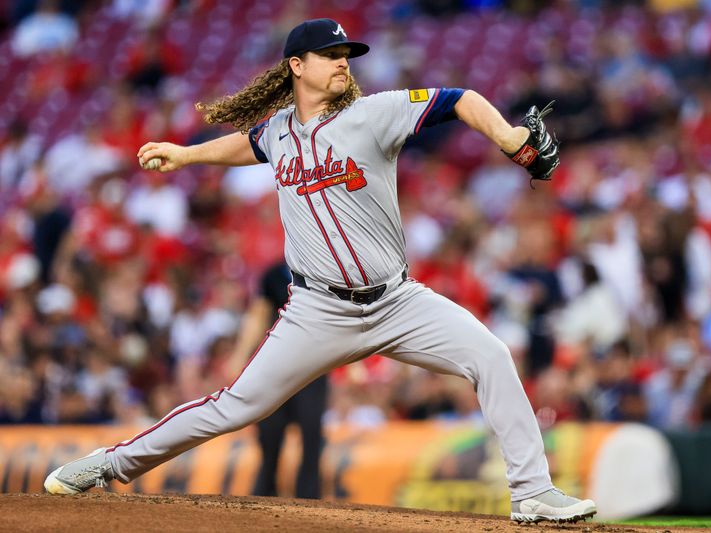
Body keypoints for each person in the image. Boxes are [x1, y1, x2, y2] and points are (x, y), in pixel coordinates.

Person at [44, 18, 596, 524]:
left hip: (396, 301)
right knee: (234, 407)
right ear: (296, 66)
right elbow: (249, 144)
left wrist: (509, 139)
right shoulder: (279, 130)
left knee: (491, 356)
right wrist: (187, 156)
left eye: (345, 54)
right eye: (330, 54)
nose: (342, 62)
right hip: (318, 310)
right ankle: (108, 465)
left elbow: (462, 99)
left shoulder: (372, 114)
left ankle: (532, 493)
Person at [229, 261, 327, 498]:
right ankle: (266, 493)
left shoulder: (324, 271)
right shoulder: (274, 275)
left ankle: (310, 499)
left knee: (311, 433)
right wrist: (239, 355)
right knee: (270, 434)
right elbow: (259, 314)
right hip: (275, 367)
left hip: (312, 367)